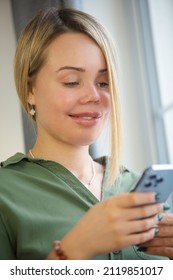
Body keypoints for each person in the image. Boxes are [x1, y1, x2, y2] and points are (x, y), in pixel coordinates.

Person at [0, 7, 173, 260]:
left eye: (103, 83)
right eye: (71, 81)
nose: (93, 95)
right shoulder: (5, 192)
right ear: (30, 90)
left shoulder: (139, 190)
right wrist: (73, 250)